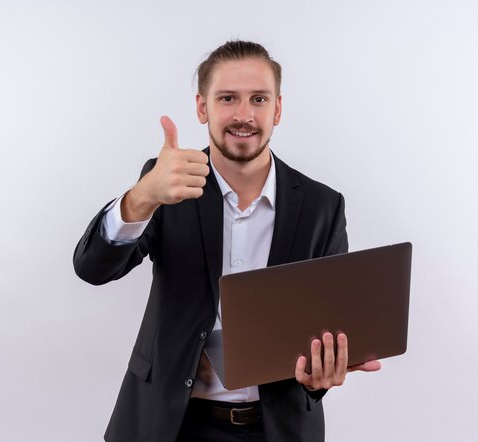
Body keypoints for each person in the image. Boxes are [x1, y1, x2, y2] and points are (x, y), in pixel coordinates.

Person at [73, 40, 380, 442]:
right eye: (227, 98)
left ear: (278, 109)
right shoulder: (167, 183)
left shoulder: (323, 206)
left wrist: (317, 376)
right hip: (169, 424)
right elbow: (92, 268)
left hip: (276, 429)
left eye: (258, 99)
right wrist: (143, 195)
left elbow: (322, 332)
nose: (243, 115)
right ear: (202, 108)